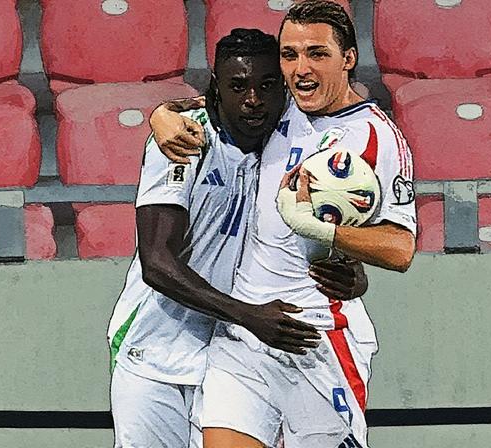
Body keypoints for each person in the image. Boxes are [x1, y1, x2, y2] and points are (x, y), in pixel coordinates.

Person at [150, 2, 416, 447]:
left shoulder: (376, 136)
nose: (300, 68)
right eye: (290, 55)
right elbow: (212, 104)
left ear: (348, 58)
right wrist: (161, 114)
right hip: (243, 337)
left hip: (318, 339)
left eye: (317, 54)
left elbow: (400, 248)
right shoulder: (278, 108)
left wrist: (319, 229)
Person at [108, 28, 368, 448]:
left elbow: (322, 241)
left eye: (267, 85)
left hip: (232, 358)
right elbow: (157, 262)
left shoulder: (291, 144)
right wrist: (248, 314)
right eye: (238, 86)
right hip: (154, 356)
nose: (253, 99)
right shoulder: (183, 141)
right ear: (216, 88)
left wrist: (351, 276)